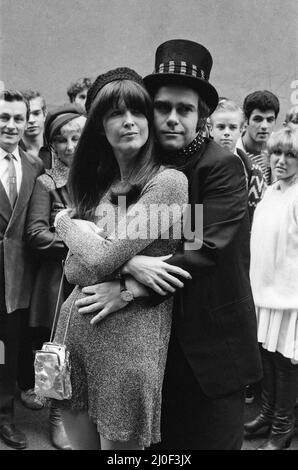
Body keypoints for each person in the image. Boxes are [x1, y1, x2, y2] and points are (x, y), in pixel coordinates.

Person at [75, 40, 262, 450]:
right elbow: (109, 237)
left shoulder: (219, 167)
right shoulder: (138, 168)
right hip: (151, 347)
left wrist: (130, 283)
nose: (173, 119)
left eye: (185, 109)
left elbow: (205, 247)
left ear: (202, 117)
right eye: (163, 108)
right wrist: (130, 263)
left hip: (209, 352)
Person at [52, 67, 189, 450]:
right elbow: (74, 268)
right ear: (99, 127)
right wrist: (131, 262)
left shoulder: (169, 184)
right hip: (77, 331)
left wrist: (65, 223)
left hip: (131, 341)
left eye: (138, 112)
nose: (129, 122)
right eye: (115, 113)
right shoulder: (102, 183)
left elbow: (95, 261)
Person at [24, 105, 86, 450]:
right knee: (59, 350)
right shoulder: (46, 183)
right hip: (59, 280)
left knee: (87, 351)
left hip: (94, 277)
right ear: (51, 145)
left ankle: (85, 416)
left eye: (77, 137)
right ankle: (57, 417)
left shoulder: (102, 178)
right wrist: (80, 239)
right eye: (61, 140)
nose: (70, 146)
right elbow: (35, 234)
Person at [244, 127, 298, 450]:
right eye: (276, 153)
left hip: (290, 297)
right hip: (264, 292)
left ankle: (282, 425)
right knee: (267, 355)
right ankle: (266, 413)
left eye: (291, 155)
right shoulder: (271, 190)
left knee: (286, 361)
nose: (281, 160)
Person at [0, 90, 43, 449]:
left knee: (6, 347)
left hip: (14, 276)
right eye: (3, 117)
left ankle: (4, 416)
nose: (11, 125)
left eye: (18, 118)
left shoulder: (32, 166)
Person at [210, 98, 265, 224]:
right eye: (221, 127)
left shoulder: (253, 171)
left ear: (241, 130)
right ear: (211, 129)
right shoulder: (198, 164)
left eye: (233, 127)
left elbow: (258, 216)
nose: (227, 133)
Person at [237, 90, 280, 185]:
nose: (264, 126)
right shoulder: (233, 151)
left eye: (270, 120)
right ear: (246, 120)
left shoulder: (282, 148)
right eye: (258, 119)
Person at [20, 90, 52, 169]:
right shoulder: (10, 151)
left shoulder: (57, 149)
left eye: (36, 113)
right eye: (25, 115)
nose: (31, 120)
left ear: (44, 114)